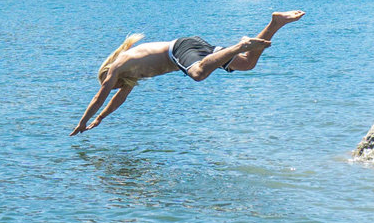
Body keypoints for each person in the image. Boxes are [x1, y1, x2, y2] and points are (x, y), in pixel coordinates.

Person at [71, 11, 305, 134]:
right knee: (247, 63)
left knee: (198, 74)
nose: (115, 87)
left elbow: (100, 96)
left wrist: (82, 122)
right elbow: (117, 100)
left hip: (179, 49)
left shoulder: (117, 65)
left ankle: (241, 44)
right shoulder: (130, 75)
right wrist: (100, 119)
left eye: (112, 84)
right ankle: (276, 23)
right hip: (190, 45)